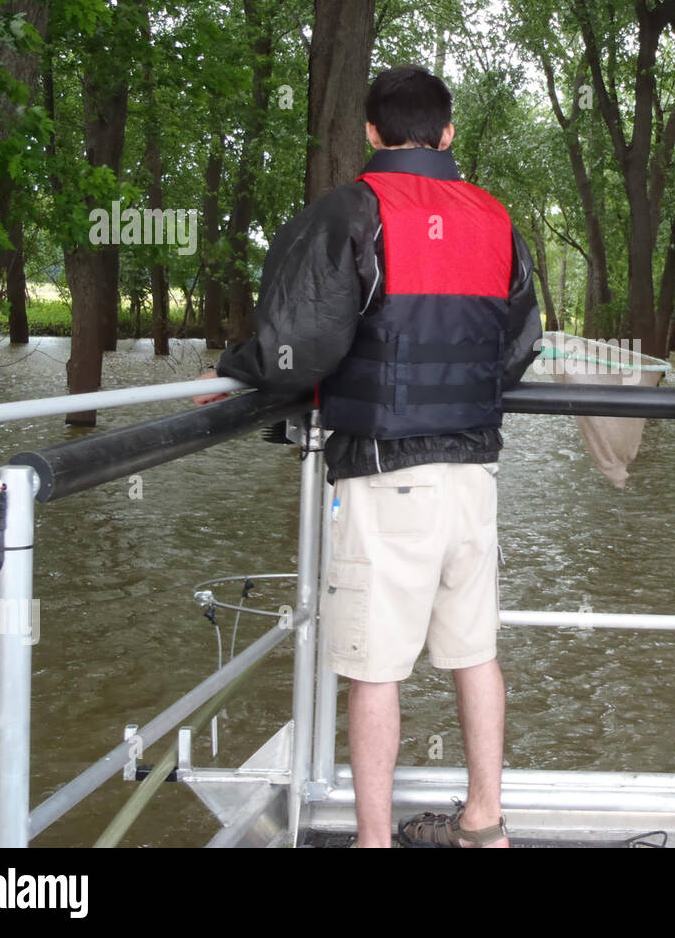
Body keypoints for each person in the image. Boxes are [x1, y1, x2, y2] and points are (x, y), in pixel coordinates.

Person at [195, 65, 542, 848]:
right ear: (448, 134)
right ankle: (486, 819)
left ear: (371, 133)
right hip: (474, 472)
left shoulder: (353, 210)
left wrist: (238, 367)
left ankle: (374, 839)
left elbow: (300, 343)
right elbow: (520, 341)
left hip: (384, 474)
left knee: (374, 669)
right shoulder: (496, 217)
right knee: (474, 652)